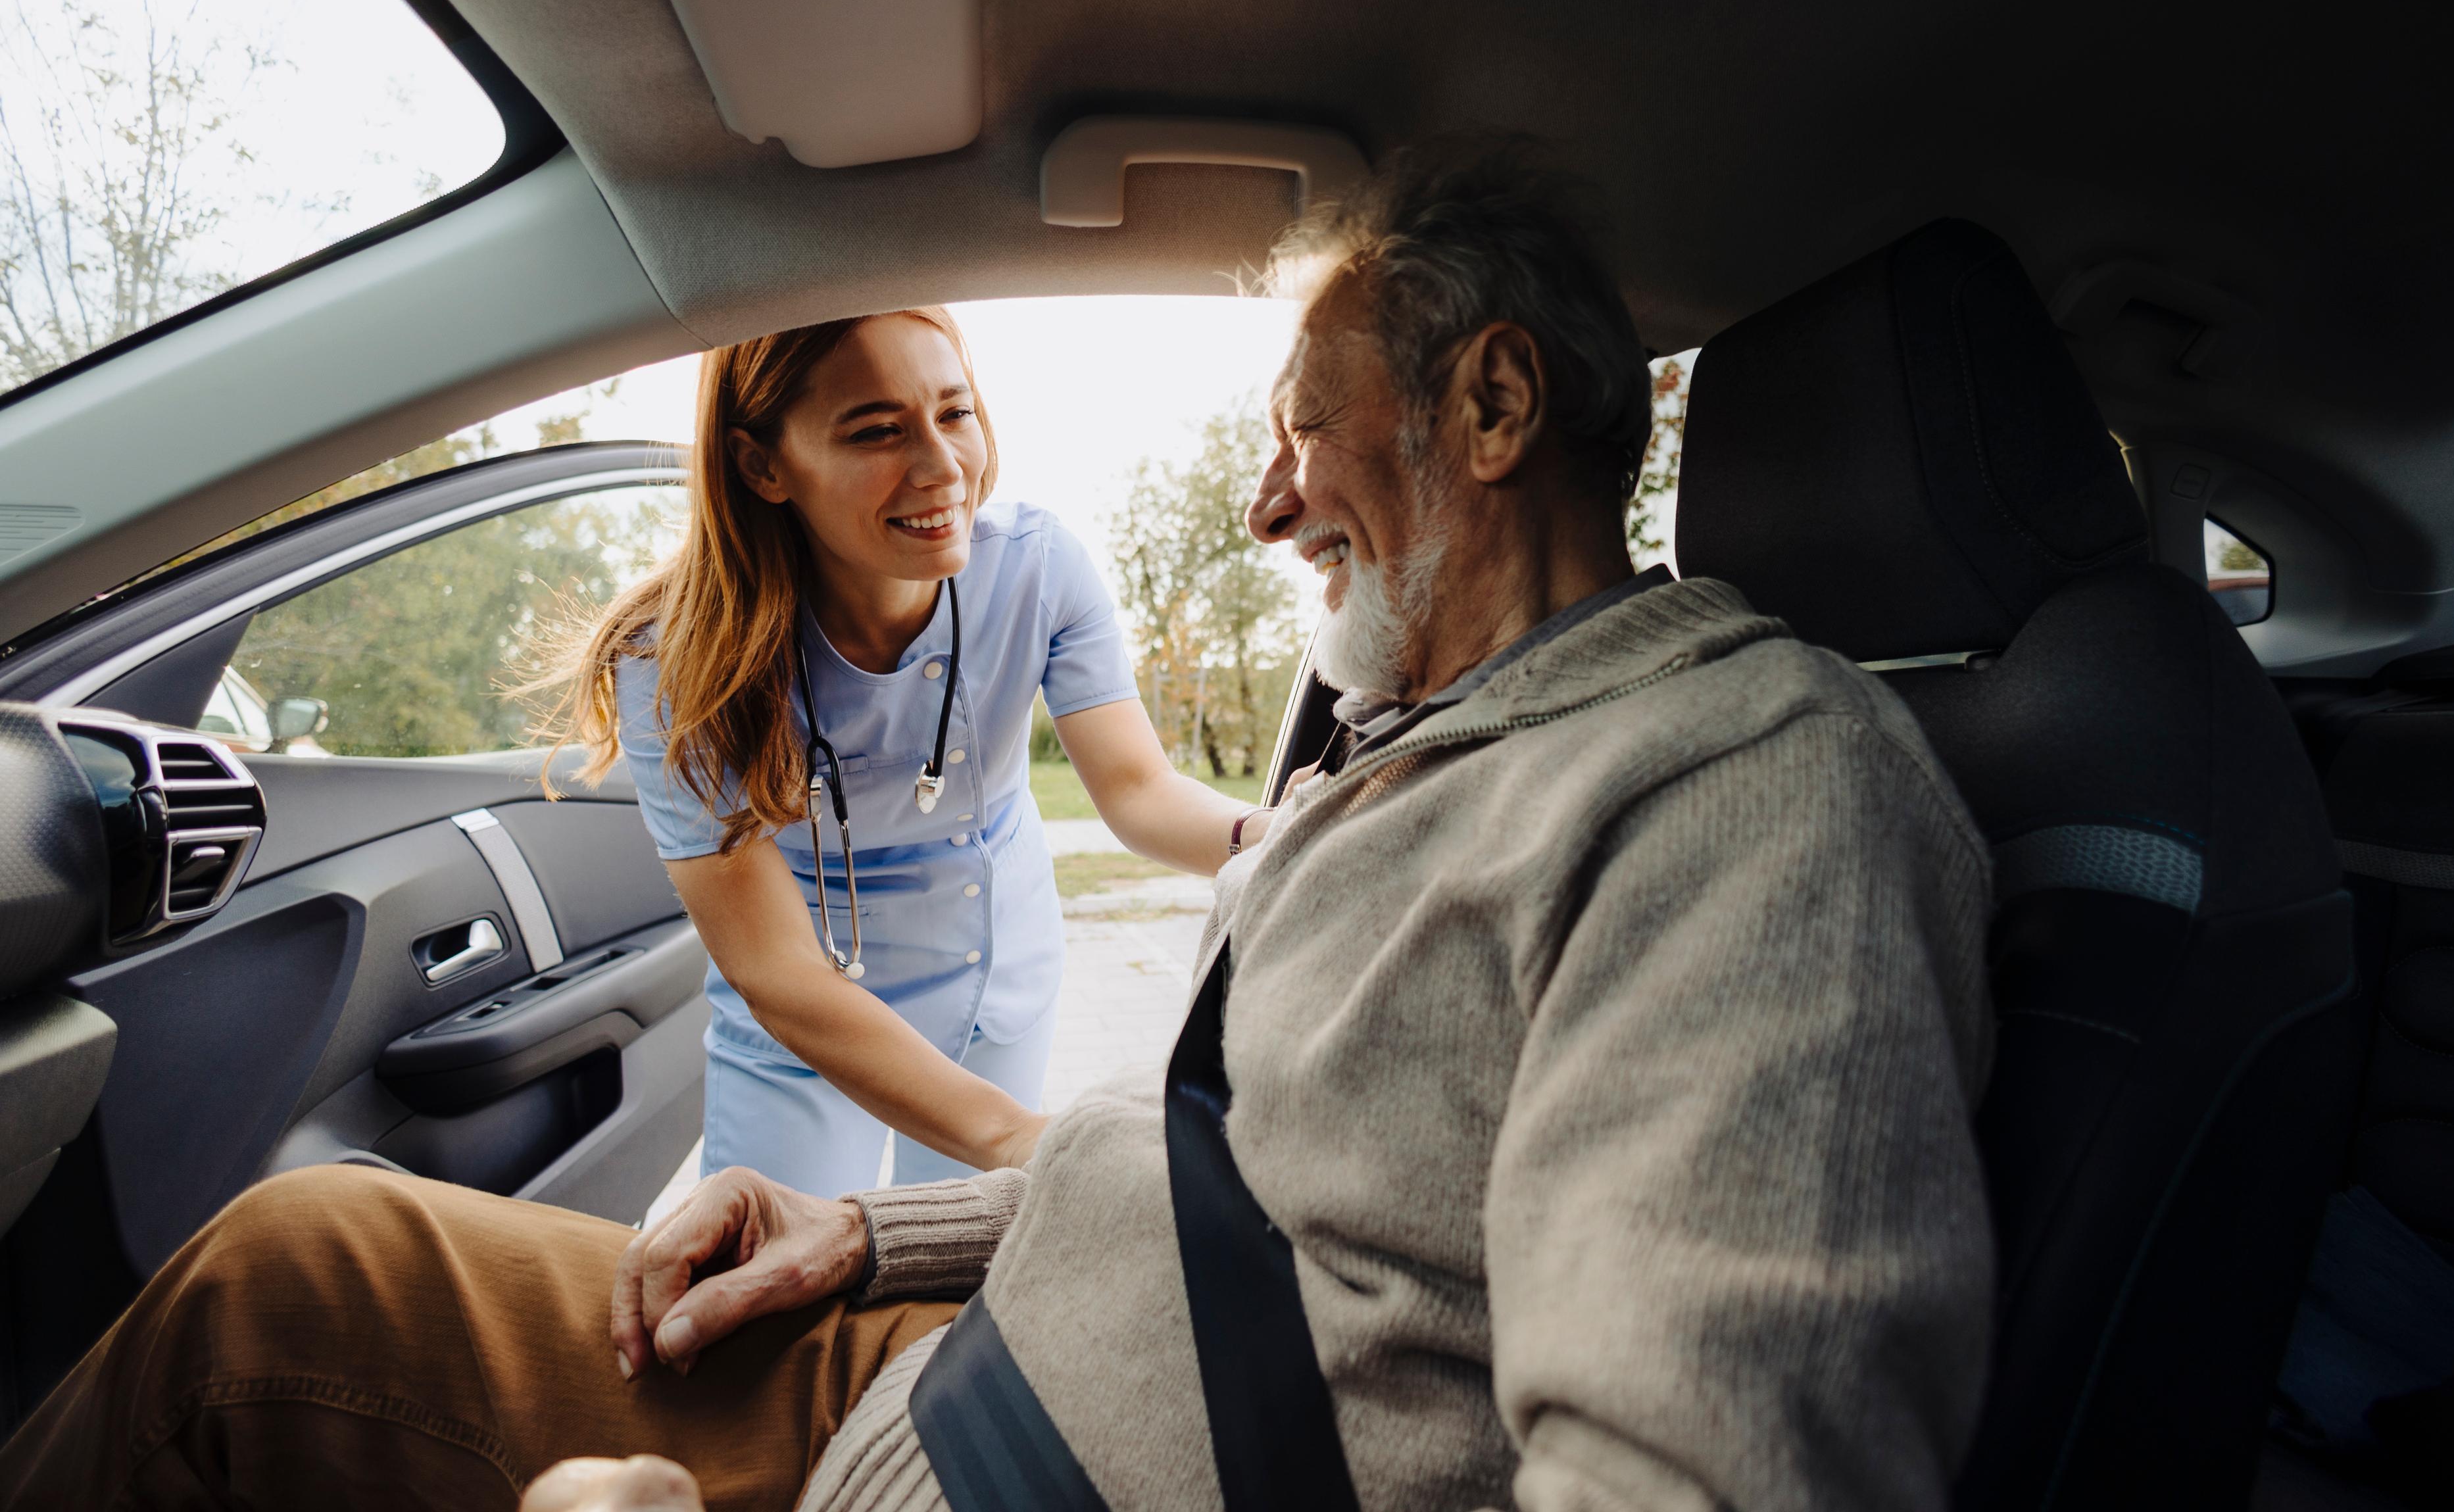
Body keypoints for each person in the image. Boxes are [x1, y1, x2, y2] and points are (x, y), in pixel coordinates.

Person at [0, 141, 1997, 1512]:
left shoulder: (1743, 791)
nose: (1264, 504)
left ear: (1490, 409)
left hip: (1047, 1447)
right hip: (969, 1343)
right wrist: (878, 1230)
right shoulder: (1446, 750)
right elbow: (1266, 1183)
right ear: (768, 469)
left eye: (1300, 430)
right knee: (297, 1262)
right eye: (874, 427)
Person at [551, 308, 1273, 1195]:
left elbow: (1139, 791)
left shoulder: (1039, 568)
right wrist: (1024, 1141)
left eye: (954, 412)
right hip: (805, 1017)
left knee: (964, 1255)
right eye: (876, 431)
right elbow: (776, 970)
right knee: (770, 1262)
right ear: (762, 465)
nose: (942, 468)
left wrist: (1269, 836)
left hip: (997, 979)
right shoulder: (671, 660)